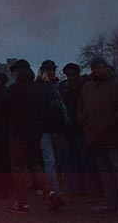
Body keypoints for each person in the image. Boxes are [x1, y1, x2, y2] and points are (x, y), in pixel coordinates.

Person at [0, 59, 63, 214]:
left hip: (18, 133)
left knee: (18, 167)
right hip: (35, 133)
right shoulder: (38, 88)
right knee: (34, 163)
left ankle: (22, 202)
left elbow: (3, 108)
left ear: (17, 72)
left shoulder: (13, 89)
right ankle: (50, 192)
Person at [78, 57, 118, 217]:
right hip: (95, 134)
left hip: (112, 134)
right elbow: (81, 107)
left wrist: (111, 122)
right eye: (97, 68)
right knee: (105, 169)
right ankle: (110, 200)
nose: (100, 70)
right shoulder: (87, 87)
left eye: (102, 67)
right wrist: (83, 122)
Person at [59, 63, 97, 199]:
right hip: (72, 130)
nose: (70, 78)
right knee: (71, 162)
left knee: (85, 161)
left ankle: (90, 190)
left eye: (72, 75)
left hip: (82, 129)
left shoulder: (84, 88)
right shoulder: (67, 88)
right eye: (68, 75)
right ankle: (74, 189)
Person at [37, 60, 68, 196]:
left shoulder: (61, 86)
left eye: (52, 69)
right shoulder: (39, 86)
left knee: (57, 160)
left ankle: (55, 187)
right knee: (51, 161)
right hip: (45, 128)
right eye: (48, 70)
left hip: (58, 127)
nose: (51, 72)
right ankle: (54, 190)